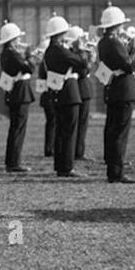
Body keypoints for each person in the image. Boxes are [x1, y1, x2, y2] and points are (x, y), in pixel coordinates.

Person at [96, 4, 135, 184]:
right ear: (117, 25)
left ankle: (114, 168)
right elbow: (129, 65)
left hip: (115, 89)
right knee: (120, 132)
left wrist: (127, 48)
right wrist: (134, 49)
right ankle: (116, 172)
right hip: (124, 90)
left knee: (114, 130)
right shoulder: (114, 42)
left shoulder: (104, 42)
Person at [42, 15, 87, 178]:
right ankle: (67, 167)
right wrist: (81, 49)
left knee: (61, 131)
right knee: (69, 131)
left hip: (59, 92)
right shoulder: (60, 50)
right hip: (69, 93)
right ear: (60, 33)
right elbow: (82, 63)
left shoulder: (50, 50)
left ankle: (60, 165)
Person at [0, 20, 34, 173]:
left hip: (15, 93)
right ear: (12, 40)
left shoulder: (6, 53)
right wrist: (30, 55)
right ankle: (14, 163)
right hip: (20, 93)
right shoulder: (12, 54)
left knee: (15, 128)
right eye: (17, 38)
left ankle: (11, 161)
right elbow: (29, 68)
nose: (19, 41)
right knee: (18, 129)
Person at [69, 26, 95, 163]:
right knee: (81, 123)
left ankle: (77, 150)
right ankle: (78, 151)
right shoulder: (76, 54)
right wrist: (90, 59)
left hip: (81, 89)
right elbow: (84, 71)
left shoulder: (73, 53)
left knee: (79, 123)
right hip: (81, 89)